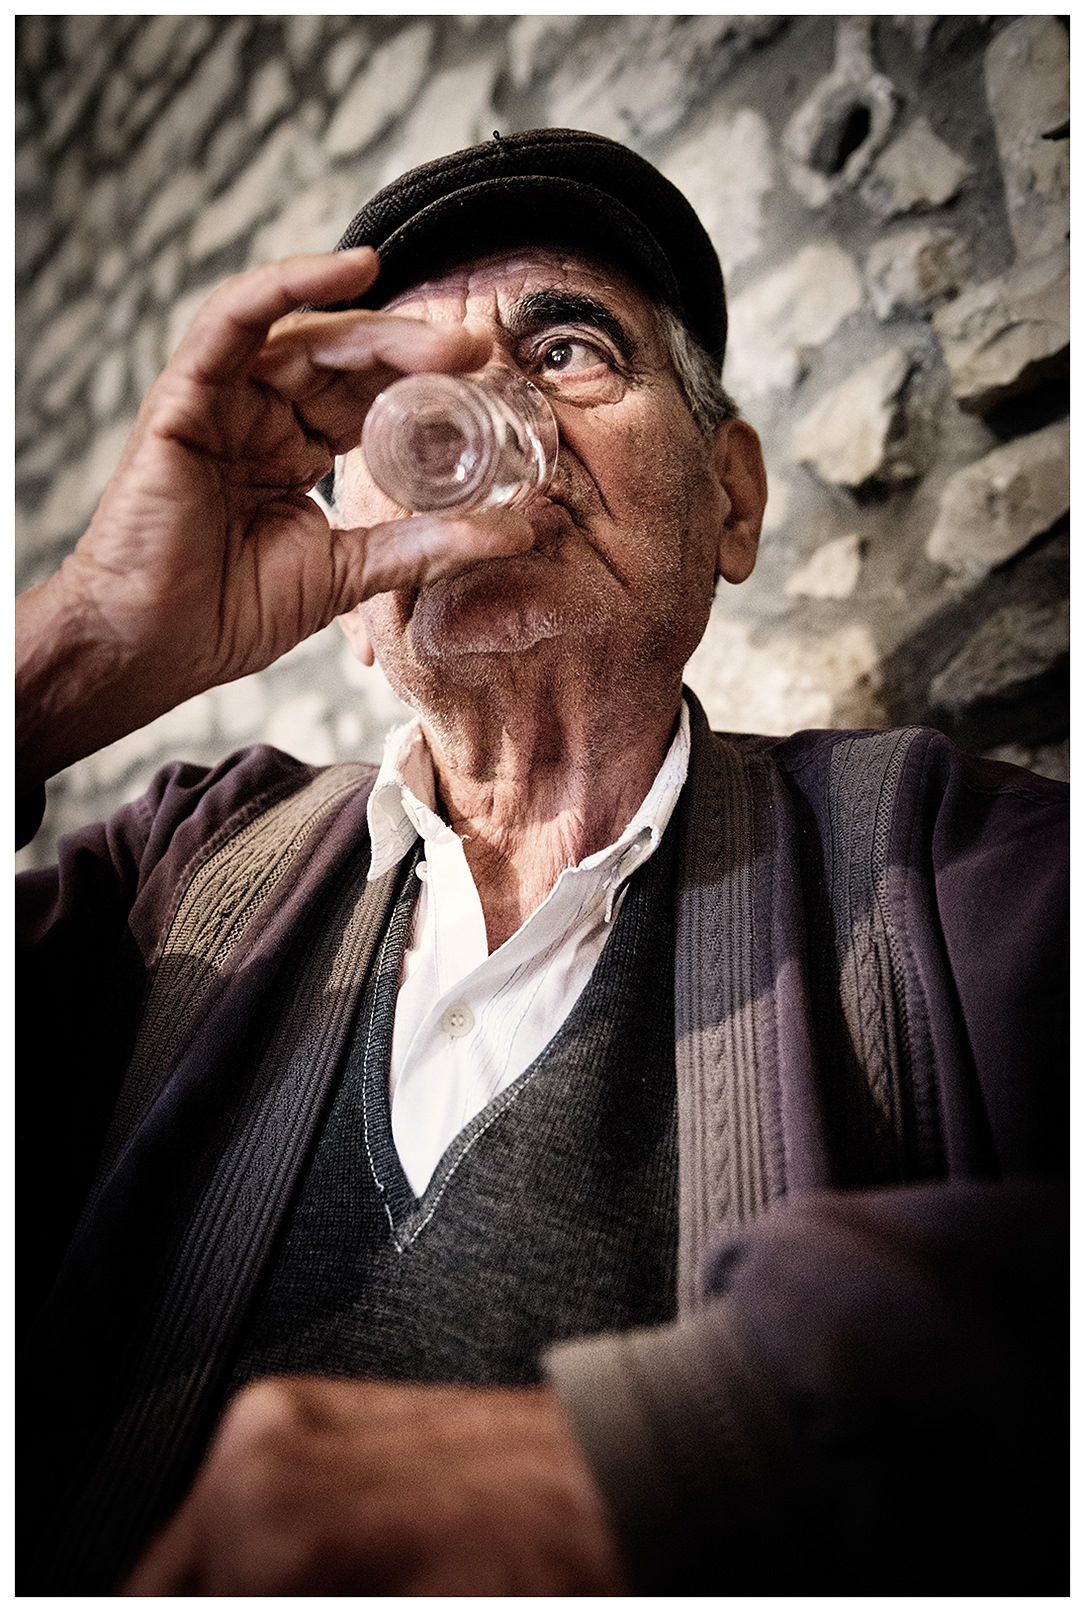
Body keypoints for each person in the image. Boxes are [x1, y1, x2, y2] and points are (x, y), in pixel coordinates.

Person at [16, 129, 1067, 1596]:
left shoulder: (945, 876)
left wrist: (699, 1456)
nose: (477, 403)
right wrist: (67, 655)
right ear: (351, 554)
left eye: (567, 348)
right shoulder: (175, 886)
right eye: (397, 386)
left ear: (733, 498)